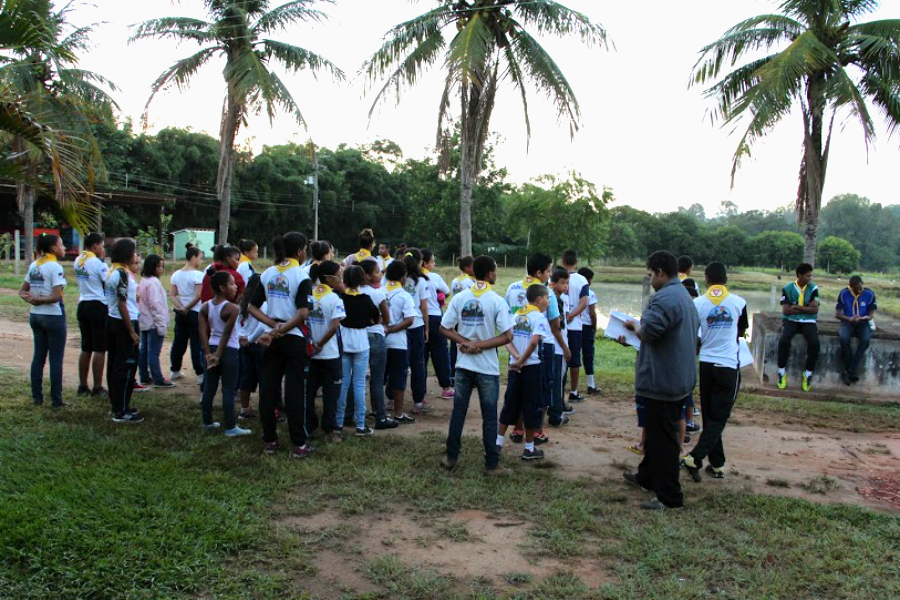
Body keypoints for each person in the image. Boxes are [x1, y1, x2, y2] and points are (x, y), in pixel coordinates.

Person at [620, 251, 699, 510]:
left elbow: (650, 332)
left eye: (650, 274)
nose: (650, 279)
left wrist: (634, 327)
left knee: (664, 438)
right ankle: (647, 477)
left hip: (663, 379)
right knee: (656, 433)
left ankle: (670, 497)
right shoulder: (683, 295)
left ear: (660, 273)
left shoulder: (663, 299)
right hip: (677, 377)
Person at [440, 255, 515, 475]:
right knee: (489, 417)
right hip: (487, 368)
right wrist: (479, 344)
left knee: (458, 412)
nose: (496, 274)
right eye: (496, 270)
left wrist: (464, 342)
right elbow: (508, 336)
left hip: (463, 365)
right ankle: (492, 464)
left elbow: (444, 328)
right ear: (490, 274)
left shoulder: (460, 297)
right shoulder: (497, 300)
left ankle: (451, 457)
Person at [248, 231, 314, 458]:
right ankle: (299, 444)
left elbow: (252, 307)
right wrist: (282, 329)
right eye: (305, 249)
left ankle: (270, 440)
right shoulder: (301, 276)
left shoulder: (268, 273)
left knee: (268, 391)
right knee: (294, 393)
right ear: (300, 251)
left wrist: (273, 326)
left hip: (271, 340)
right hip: (293, 337)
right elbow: (303, 313)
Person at [681, 262, 748, 482]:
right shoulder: (739, 302)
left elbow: (694, 335)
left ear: (707, 279)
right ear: (726, 280)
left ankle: (717, 464)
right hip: (727, 365)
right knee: (719, 417)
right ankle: (695, 457)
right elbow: (741, 332)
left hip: (706, 364)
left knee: (711, 415)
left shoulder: (697, 303)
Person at [498, 284, 552, 461]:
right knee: (532, 406)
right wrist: (522, 361)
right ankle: (529, 449)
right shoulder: (539, 318)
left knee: (510, 403)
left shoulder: (517, 315)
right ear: (539, 300)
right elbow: (534, 342)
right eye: (547, 298)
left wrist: (516, 358)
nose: (548, 301)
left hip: (514, 367)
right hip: (531, 367)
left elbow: (507, 339)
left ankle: (497, 444)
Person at [199, 271, 251, 437]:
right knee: (228, 389)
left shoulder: (205, 306)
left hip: (212, 346)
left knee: (209, 388)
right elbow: (227, 333)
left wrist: (209, 354)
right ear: (222, 287)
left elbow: (203, 332)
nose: (235, 287)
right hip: (228, 350)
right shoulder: (232, 308)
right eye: (232, 284)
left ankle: (207, 422)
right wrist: (218, 356)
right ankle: (230, 426)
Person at [20, 234, 67, 408]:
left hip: (36, 316)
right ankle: (56, 400)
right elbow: (55, 297)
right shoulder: (55, 267)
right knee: (56, 359)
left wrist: (32, 301)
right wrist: (40, 300)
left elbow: (22, 291)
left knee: (38, 357)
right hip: (53, 316)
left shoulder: (35, 265)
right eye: (61, 245)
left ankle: (37, 397)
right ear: (54, 248)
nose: (64, 248)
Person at [336, 265, 381, 436]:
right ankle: (361, 425)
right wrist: (366, 323)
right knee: (359, 384)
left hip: (344, 343)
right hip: (361, 343)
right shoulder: (366, 299)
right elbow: (376, 317)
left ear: (344, 280)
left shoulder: (340, 298)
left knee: (343, 384)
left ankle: (338, 423)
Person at [305, 260, 346, 442]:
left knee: (309, 394)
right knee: (331, 394)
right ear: (329, 278)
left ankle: (309, 427)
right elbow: (335, 326)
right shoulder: (335, 299)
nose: (341, 279)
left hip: (310, 354)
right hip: (330, 354)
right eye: (339, 276)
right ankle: (329, 430)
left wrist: (312, 344)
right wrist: (320, 344)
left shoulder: (309, 296)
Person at [105, 239, 144, 423]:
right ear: (127, 254)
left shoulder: (113, 270)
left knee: (115, 365)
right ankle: (121, 411)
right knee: (125, 368)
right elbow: (122, 304)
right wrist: (132, 332)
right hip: (123, 323)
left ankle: (118, 405)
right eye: (134, 252)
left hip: (113, 320)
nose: (136, 255)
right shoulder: (121, 274)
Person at [359, 259, 399, 429]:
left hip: (358, 336)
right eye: (377, 272)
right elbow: (387, 319)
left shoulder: (353, 291)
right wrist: (379, 319)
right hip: (375, 335)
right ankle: (380, 417)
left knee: (357, 379)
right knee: (377, 379)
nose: (380, 275)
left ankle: (352, 415)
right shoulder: (377, 294)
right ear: (368, 276)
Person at [74, 233, 108, 397]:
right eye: (102, 245)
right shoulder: (97, 263)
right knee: (99, 348)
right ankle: (97, 387)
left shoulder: (78, 260)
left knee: (86, 347)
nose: (103, 249)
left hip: (83, 303)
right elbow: (108, 282)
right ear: (95, 246)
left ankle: (82, 385)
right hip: (98, 304)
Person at [776, 263, 820, 392]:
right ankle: (781, 372)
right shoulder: (787, 288)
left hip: (808, 321)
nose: (810, 278)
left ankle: (808, 373)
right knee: (784, 340)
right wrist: (806, 308)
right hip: (791, 320)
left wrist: (797, 307)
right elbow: (786, 310)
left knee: (814, 343)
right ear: (799, 276)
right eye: (808, 276)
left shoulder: (813, 288)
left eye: (811, 276)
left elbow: (815, 310)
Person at [384, 260, 417, 424]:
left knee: (379, 377)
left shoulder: (379, 292)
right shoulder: (405, 296)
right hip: (398, 343)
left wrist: (385, 329)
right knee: (398, 378)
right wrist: (392, 329)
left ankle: (377, 412)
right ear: (403, 277)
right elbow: (410, 320)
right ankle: (398, 414)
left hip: (380, 342)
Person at [169, 246, 205, 384]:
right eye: (200, 258)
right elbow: (199, 295)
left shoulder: (176, 274)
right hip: (195, 312)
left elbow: (172, 294)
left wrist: (181, 307)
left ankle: (175, 370)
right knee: (196, 343)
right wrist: (187, 308)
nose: (201, 261)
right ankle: (200, 373)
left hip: (180, 313)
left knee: (179, 341)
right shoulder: (198, 275)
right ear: (194, 257)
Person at [137, 254, 174, 388]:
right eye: (159, 266)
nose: (161, 269)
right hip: (153, 322)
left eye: (162, 266)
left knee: (145, 350)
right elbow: (155, 305)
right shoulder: (153, 282)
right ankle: (158, 379)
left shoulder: (144, 280)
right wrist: (161, 324)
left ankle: (144, 376)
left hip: (145, 321)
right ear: (152, 267)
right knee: (153, 352)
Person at [421, 249, 453, 399]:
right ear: (424, 263)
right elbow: (447, 292)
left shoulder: (411, 277)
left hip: (418, 319)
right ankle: (446, 387)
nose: (434, 264)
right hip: (434, 317)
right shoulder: (434, 277)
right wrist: (438, 296)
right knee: (440, 353)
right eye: (432, 261)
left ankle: (420, 392)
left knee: (421, 356)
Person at [835, 275, 877, 386]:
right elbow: (837, 314)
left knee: (865, 340)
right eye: (856, 289)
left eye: (860, 288)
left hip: (863, 322)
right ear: (851, 287)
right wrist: (849, 318)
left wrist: (866, 318)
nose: (859, 291)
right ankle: (851, 371)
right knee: (843, 338)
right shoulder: (844, 293)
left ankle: (849, 371)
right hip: (847, 321)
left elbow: (871, 314)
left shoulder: (869, 294)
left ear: (862, 284)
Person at [403, 249, 431, 415]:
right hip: (416, 325)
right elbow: (424, 306)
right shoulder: (421, 281)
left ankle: (391, 398)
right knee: (417, 364)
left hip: (399, 326)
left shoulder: (396, 278)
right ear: (420, 262)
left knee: (397, 363)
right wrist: (426, 327)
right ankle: (418, 402)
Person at [561, 250, 589, 402]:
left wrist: (565, 316)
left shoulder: (556, 277)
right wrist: (572, 315)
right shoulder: (582, 280)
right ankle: (573, 392)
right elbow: (584, 303)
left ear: (563, 261)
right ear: (576, 262)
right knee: (575, 360)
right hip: (575, 326)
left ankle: (559, 391)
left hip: (559, 325)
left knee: (561, 358)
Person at [547, 268, 573, 428]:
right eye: (563, 283)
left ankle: (553, 409)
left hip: (555, 346)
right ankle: (556, 414)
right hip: (557, 347)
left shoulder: (557, 299)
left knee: (555, 380)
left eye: (567, 283)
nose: (565, 286)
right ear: (554, 283)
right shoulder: (555, 301)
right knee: (557, 381)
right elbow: (556, 328)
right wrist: (565, 347)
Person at [237, 273, 264, 420]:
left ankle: (244, 409)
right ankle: (269, 410)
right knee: (264, 377)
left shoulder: (243, 301)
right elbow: (262, 326)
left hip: (244, 343)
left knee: (246, 376)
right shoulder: (263, 302)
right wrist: (251, 339)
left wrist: (241, 336)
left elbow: (238, 321)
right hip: (258, 343)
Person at [449, 256, 476, 385]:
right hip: (467, 317)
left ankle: (452, 374)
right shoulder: (471, 282)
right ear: (467, 268)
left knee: (454, 345)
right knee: (468, 344)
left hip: (456, 316)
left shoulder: (455, 280)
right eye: (473, 266)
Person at [577, 267, 601, 395]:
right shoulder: (590, 293)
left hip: (574, 326)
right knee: (588, 355)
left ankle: (572, 387)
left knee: (573, 355)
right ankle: (591, 385)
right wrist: (594, 327)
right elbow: (592, 313)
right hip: (586, 327)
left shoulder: (571, 291)